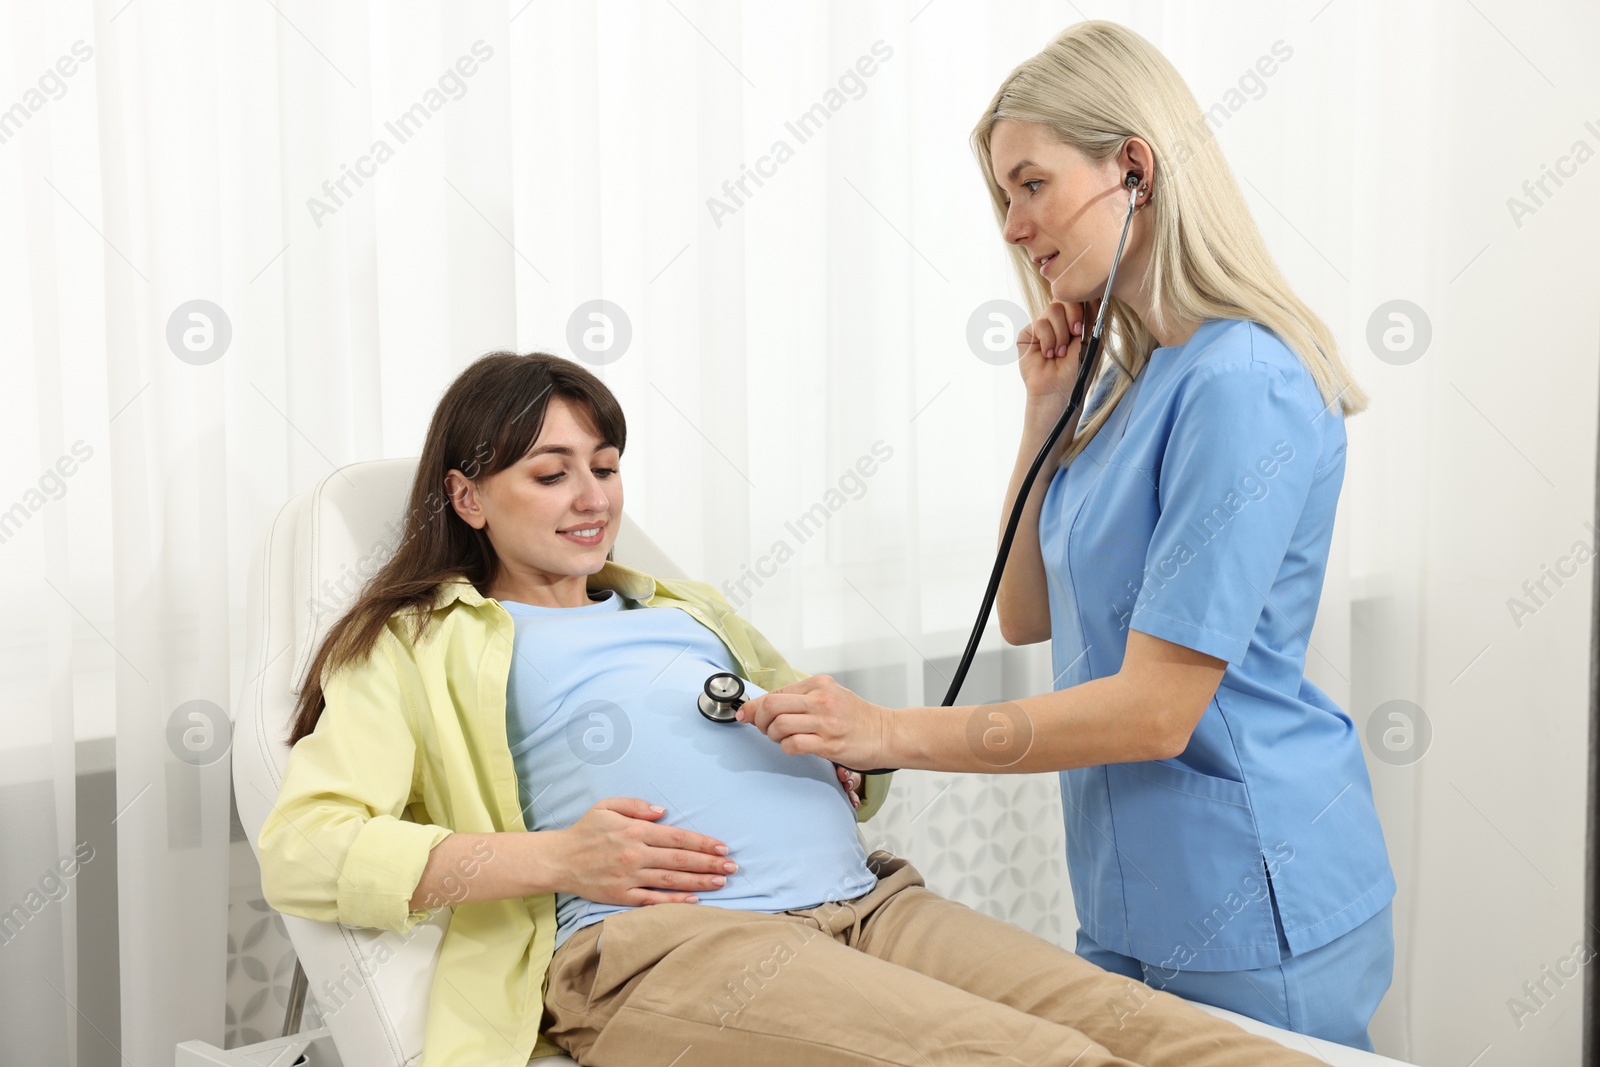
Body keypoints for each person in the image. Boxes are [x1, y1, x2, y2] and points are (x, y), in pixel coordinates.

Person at [258, 352, 1323, 1066]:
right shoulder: (414, 640)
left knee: (1186, 1040)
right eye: (551, 472)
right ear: (468, 497)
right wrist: (554, 857)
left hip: (869, 905)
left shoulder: (675, 606)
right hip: (674, 948)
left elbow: (849, 752)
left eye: (607, 465)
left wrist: (842, 750)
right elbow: (306, 846)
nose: (593, 496)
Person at [734, 20, 1396, 1053]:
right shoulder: (1137, 382)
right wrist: (1042, 418)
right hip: (1130, 888)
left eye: (1030, 184)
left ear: (1131, 167)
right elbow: (1027, 610)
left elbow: (1156, 711)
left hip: (1251, 890)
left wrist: (885, 731)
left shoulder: (1241, 382)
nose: (1011, 224)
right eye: (1004, 194)